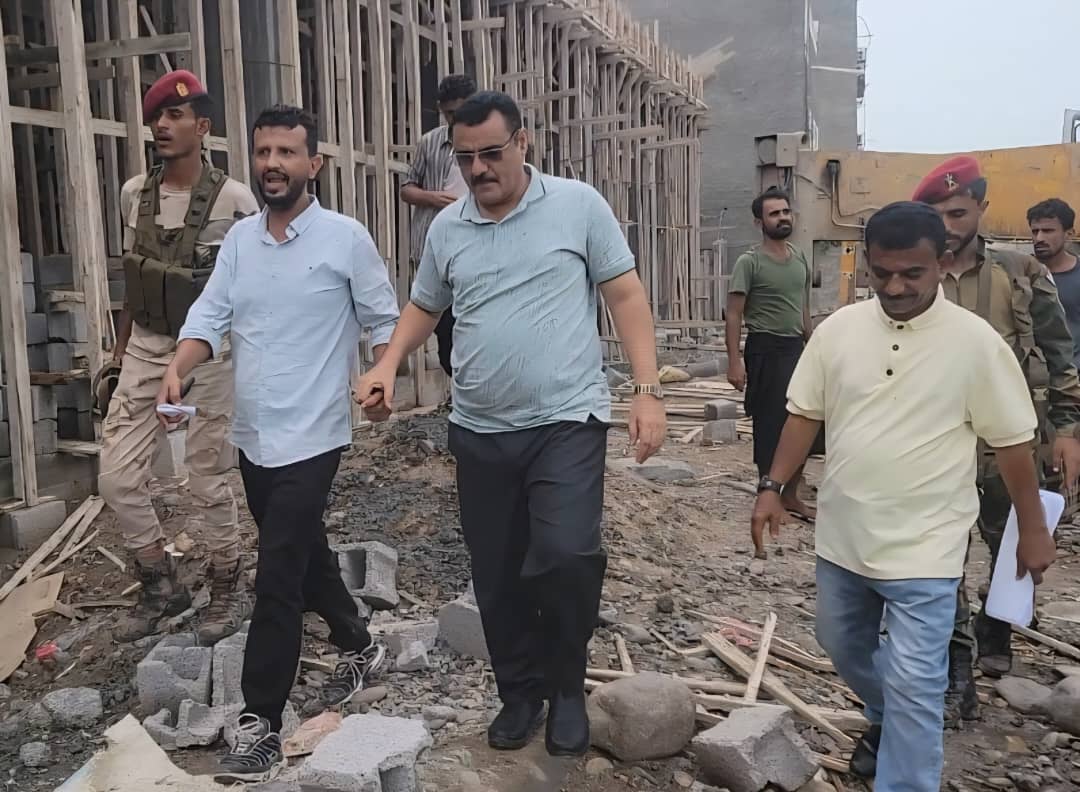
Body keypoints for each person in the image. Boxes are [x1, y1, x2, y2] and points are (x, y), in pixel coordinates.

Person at [354, 91, 666, 757]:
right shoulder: (448, 228)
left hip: (566, 421)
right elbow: (425, 306)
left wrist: (646, 392)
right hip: (480, 429)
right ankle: (520, 693)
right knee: (497, 574)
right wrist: (387, 363)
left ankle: (568, 688)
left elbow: (624, 294)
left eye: (491, 153)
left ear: (523, 143)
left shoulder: (578, 206)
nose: (478, 169)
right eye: (465, 157)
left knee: (567, 555)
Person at [751, 201, 1055, 792]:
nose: (894, 287)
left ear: (941, 263)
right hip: (843, 537)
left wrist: (1033, 529)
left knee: (917, 683)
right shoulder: (838, 331)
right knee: (840, 643)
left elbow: (1012, 443)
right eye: (882, 273)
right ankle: (888, 719)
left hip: (927, 546)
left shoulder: (976, 343)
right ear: (867, 264)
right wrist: (772, 486)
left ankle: (906, 768)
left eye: (912, 273)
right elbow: (804, 414)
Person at [158, 105, 400, 782]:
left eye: (287, 153)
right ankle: (358, 643)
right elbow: (210, 315)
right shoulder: (239, 242)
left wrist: (382, 377)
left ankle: (260, 724)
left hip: (315, 435)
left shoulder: (345, 239)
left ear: (313, 164)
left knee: (276, 577)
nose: (272, 164)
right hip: (255, 436)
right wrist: (179, 366)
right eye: (264, 152)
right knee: (303, 551)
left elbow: (384, 320)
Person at [913, 156, 1080, 722]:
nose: (948, 226)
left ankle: (996, 625)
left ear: (982, 208)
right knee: (940, 557)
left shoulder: (1021, 273)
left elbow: (1059, 354)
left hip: (1012, 445)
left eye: (958, 213)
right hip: (939, 446)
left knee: (1011, 545)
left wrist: (1068, 430)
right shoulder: (914, 274)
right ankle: (956, 666)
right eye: (937, 215)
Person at [97, 70, 259, 645]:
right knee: (117, 477)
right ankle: (159, 582)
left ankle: (227, 581)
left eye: (175, 116)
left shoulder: (234, 201)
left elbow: (251, 291)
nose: (162, 126)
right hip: (147, 345)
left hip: (211, 353)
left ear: (203, 126)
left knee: (205, 476)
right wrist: (118, 356)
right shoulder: (134, 195)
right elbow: (134, 281)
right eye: (156, 117)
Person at [726, 188, 818, 525]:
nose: (782, 218)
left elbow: (802, 307)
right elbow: (734, 313)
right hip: (765, 349)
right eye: (774, 214)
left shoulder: (800, 258)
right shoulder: (749, 263)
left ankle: (791, 494)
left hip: (795, 349)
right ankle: (769, 496)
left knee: (806, 417)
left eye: (785, 212)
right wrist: (734, 361)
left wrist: (813, 345)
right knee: (770, 424)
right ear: (759, 222)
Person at [401, 73, 477, 377]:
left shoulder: (488, 142)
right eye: (449, 113)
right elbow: (407, 189)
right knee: (443, 329)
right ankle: (458, 384)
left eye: (461, 111)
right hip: (434, 249)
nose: (455, 119)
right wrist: (432, 198)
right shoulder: (430, 142)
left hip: (476, 249)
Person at [1029, 198, 1080, 368]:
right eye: (1035, 231)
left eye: (1048, 231)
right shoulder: (1020, 274)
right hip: (1033, 372)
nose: (1039, 238)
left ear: (1069, 233)